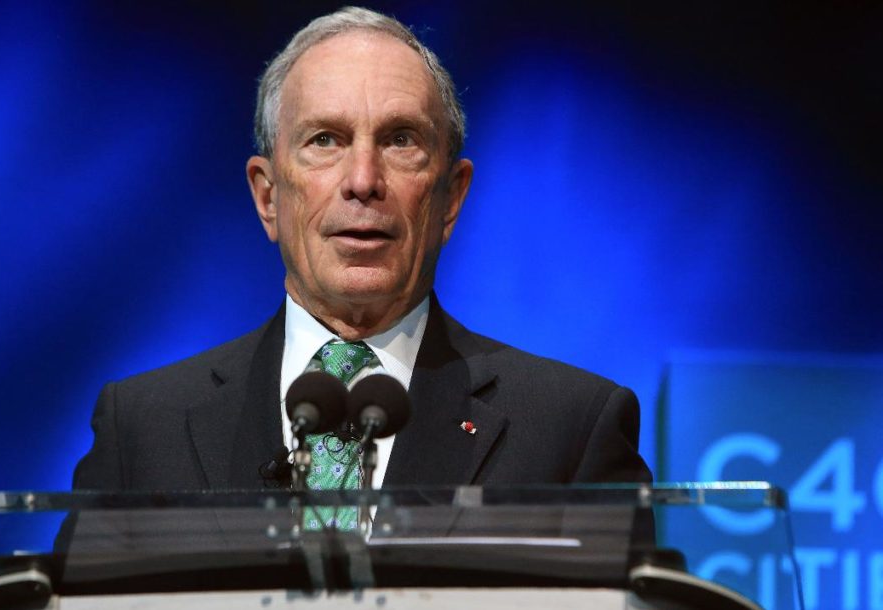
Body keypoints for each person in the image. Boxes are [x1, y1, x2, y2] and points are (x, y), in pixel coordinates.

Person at [73, 7, 651, 493]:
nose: (363, 180)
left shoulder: (572, 428)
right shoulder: (142, 427)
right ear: (268, 196)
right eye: (325, 139)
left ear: (450, 198)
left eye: (400, 140)